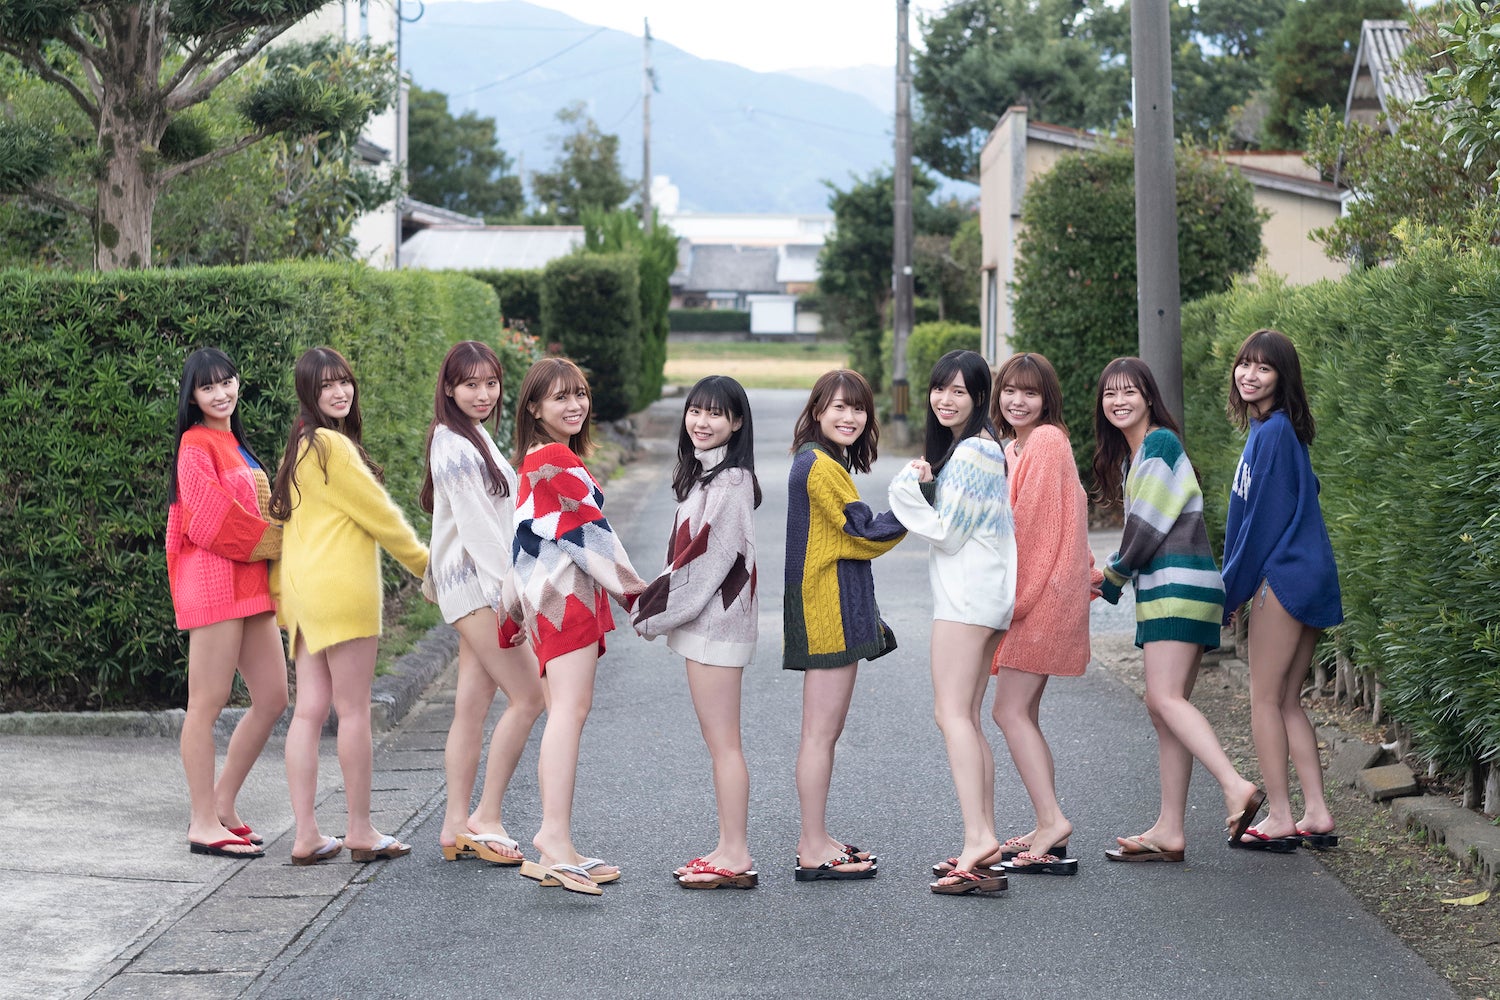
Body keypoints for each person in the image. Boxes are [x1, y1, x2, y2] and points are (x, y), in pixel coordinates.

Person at [1092, 357, 1265, 863]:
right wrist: (1111, 576)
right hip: (1177, 587)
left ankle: (1235, 786)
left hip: (1177, 587)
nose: (1119, 401)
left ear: (1149, 397)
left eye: (1129, 391)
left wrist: (1110, 576)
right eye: (1110, 394)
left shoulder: (1160, 444)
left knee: (1164, 698)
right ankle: (1170, 829)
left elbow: (1146, 527)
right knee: (1165, 709)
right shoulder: (1136, 454)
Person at [271, 347, 429, 866]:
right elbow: (380, 515)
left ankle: (306, 836)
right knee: (354, 710)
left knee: (308, 711)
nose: (340, 392)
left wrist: (283, 599)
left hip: (305, 595)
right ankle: (360, 829)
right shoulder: (333, 446)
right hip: (342, 591)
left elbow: (286, 530)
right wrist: (427, 566)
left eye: (344, 381)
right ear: (308, 393)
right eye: (326, 386)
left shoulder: (299, 446)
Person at [502, 357, 648, 896]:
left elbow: (521, 542)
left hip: (548, 602)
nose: (575, 405)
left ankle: (556, 845)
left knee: (564, 713)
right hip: (564, 602)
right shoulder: (553, 459)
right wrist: (641, 597)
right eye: (560, 397)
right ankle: (553, 838)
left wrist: (512, 612)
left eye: (580, 393)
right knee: (569, 713)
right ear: (534, 408)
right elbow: (592, 537)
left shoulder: (536, 460)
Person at [888, 351, 1015, 895]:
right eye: (940, 388)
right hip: (983, 597)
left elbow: (946, 532)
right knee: (967, 717)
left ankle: (978, 838)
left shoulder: (971, 453)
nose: (945, 399)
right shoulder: (982, 449)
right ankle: (984, 839)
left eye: (959, 391)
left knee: (952, 715)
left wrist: (904, 488)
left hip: (966, 599)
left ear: (980, 398)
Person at [633, 376, 762, 890]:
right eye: (695, 411)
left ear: (737, 422)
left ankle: (736, 853)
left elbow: (704, 564)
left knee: (725, 745)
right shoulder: (709, 477)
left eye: (715, 414)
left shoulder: (730, 483)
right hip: (711, 624)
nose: (701, 422)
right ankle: (728, 846)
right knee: (720, 744)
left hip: (718, 626)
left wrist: (649, 610)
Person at [420, 342, 544, 866]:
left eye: (491, 383)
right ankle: (485, 817)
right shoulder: (454, 445)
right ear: (449, 388)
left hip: (472, 587)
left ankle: (455, 827)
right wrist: (511, 597)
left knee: (470, 708)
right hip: (478, 588)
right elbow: (478, 532)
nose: (483, 394)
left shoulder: (471, 435)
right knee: (530, 697)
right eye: (471, 384)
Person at [1222, 329, 1343, 852]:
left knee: (1265, 701)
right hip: (1309, 571)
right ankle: (1316, 812)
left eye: (1264, 367)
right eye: (1245, 364)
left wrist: (1230, 592)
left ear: (1282, 377)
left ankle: (1279, 815)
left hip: (1285, 575)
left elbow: (1259, 527)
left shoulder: (1271, 434)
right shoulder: (1280, 431)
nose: (1250, 375)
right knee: (1289, 700)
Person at [784, 369, 905, 881]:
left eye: (858, 408)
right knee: (819, 735)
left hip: (828, 607)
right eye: (839, 407)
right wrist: (919, 498)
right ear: (817, 411)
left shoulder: (822, 461)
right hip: (827, 612)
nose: (850, 417)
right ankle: (812, 846)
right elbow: (865, 534)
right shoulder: (819, 466)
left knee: (823, 734)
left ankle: (817, 836)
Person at [167, 348, 286, 859]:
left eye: (227, 381)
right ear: (193, 397)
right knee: (207, 704)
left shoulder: (235, 441)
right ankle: (202, 822)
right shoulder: (195, 443)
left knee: (273, 697)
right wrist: (280, 540)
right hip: (215, 583)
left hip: (250, 583)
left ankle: (222, 803)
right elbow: (211, 518)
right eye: (208, 387)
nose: (221, 393)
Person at [986, 352, 1096, 877]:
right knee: (1022, 712)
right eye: (1010, 390)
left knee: (1008, 712)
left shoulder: (1047, 441)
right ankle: (1045, 823)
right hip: (1040, 594)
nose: (1017, 401)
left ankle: (1052, 820)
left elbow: (1030, 527)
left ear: (1046, 398)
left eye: (1030, 392)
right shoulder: (1015, 446)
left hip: (1039, 598)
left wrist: (1012, 602)